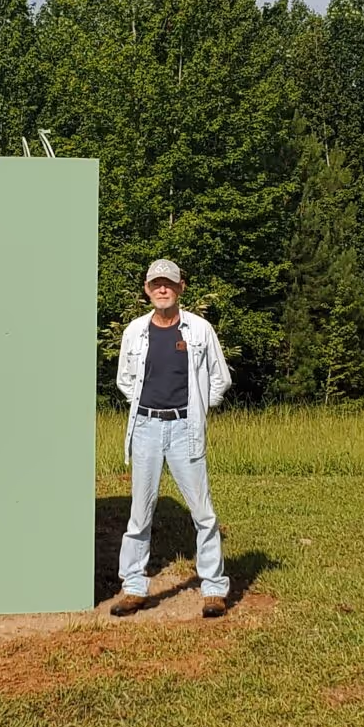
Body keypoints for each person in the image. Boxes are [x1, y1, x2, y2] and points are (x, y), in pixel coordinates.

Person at [112, 258, 232, 618]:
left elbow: (219, 378)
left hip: (185, 429)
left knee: (203, 513)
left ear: (181, 287)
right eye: (155, 284)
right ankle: (133, 586)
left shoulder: (199, 330)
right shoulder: (134, 331)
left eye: (169, 283)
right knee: (139, 514)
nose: (162, 289)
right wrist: (146, 406)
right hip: (146, 428)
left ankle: (213, 589)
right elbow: (125, 380)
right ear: (147, 290)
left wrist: (197, 410)